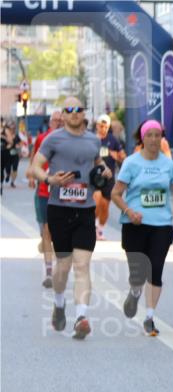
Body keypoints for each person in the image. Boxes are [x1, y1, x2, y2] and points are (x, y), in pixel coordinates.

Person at [28, 97, 112, 340]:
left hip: (85, 209)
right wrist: (49, 179)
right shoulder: (53, 139)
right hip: (59, 209)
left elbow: (98, 163)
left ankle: (81, 317)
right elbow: (35, 167)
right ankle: (59, 302)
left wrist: (104, 170)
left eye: (78, 109)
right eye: (69, 110)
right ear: (63, 114)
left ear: (84, 113)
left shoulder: (94, 140)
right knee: (62, 268)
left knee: (83, 265)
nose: (74, 113)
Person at [110, 121, 173, 336]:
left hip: (161, 225)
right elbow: (115, 194)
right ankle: (135, 291)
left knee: (155, 270)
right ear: (142, 138)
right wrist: (128, 212)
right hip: (135, 225)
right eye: (149, 135)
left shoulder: (168, 165)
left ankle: (150, 317)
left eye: (158, 135)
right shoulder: (131, 163)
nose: (154, 139)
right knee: (138, 273)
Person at [28, 109, 63, 288]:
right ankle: (49, 271)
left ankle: (56, 266)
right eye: (55, 120)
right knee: (47, 231)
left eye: (60, 120)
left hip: (64, 193)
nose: (58, 123)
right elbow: (34, 158)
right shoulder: (43, 138)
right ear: (50, 122)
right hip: (44, 191)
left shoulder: (69, 140)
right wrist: (32, 173)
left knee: (59, 233)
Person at [93, 114, 126, 241]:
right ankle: (93, 224)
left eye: (106, 126)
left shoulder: (113, 140)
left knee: (105, 205)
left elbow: (123, 156)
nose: (103, 128)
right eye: (101, 126)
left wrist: (115, 155)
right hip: (95, 176)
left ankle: (100, 229)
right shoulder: (91, 139)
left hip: (109, 177)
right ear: (97, 126)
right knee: (96, 200)